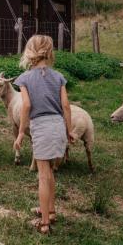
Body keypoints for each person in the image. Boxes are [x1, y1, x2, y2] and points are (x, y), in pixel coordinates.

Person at [13, 35, 74, 234]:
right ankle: (51, 210)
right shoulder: (59, 77)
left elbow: (27, 105)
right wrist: (68, 130)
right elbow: (66, 106)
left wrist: (21, 132)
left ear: (29, 52)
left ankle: (45, 222)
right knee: (49, 172)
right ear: (49, 52)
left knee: (43, 176)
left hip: (41, 126)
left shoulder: (24, 78)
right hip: (57, 125)